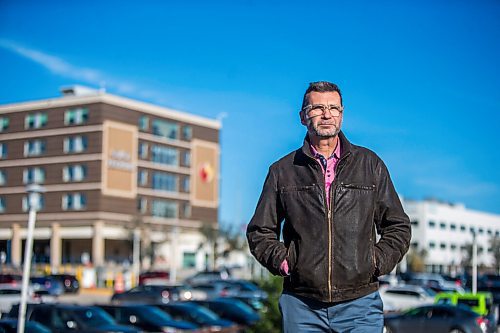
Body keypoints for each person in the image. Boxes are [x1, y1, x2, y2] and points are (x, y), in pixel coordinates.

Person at [246, 81, 411, 332]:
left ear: (342, 114)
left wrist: (375, 262)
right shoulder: (282, 171)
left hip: (360, 304)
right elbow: (259, 231)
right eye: (318, 108)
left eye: (333, 108)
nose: (326, 114)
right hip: (302, 305)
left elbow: (397, 226)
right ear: (303, 116)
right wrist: (286, 262)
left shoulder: (370, 165)